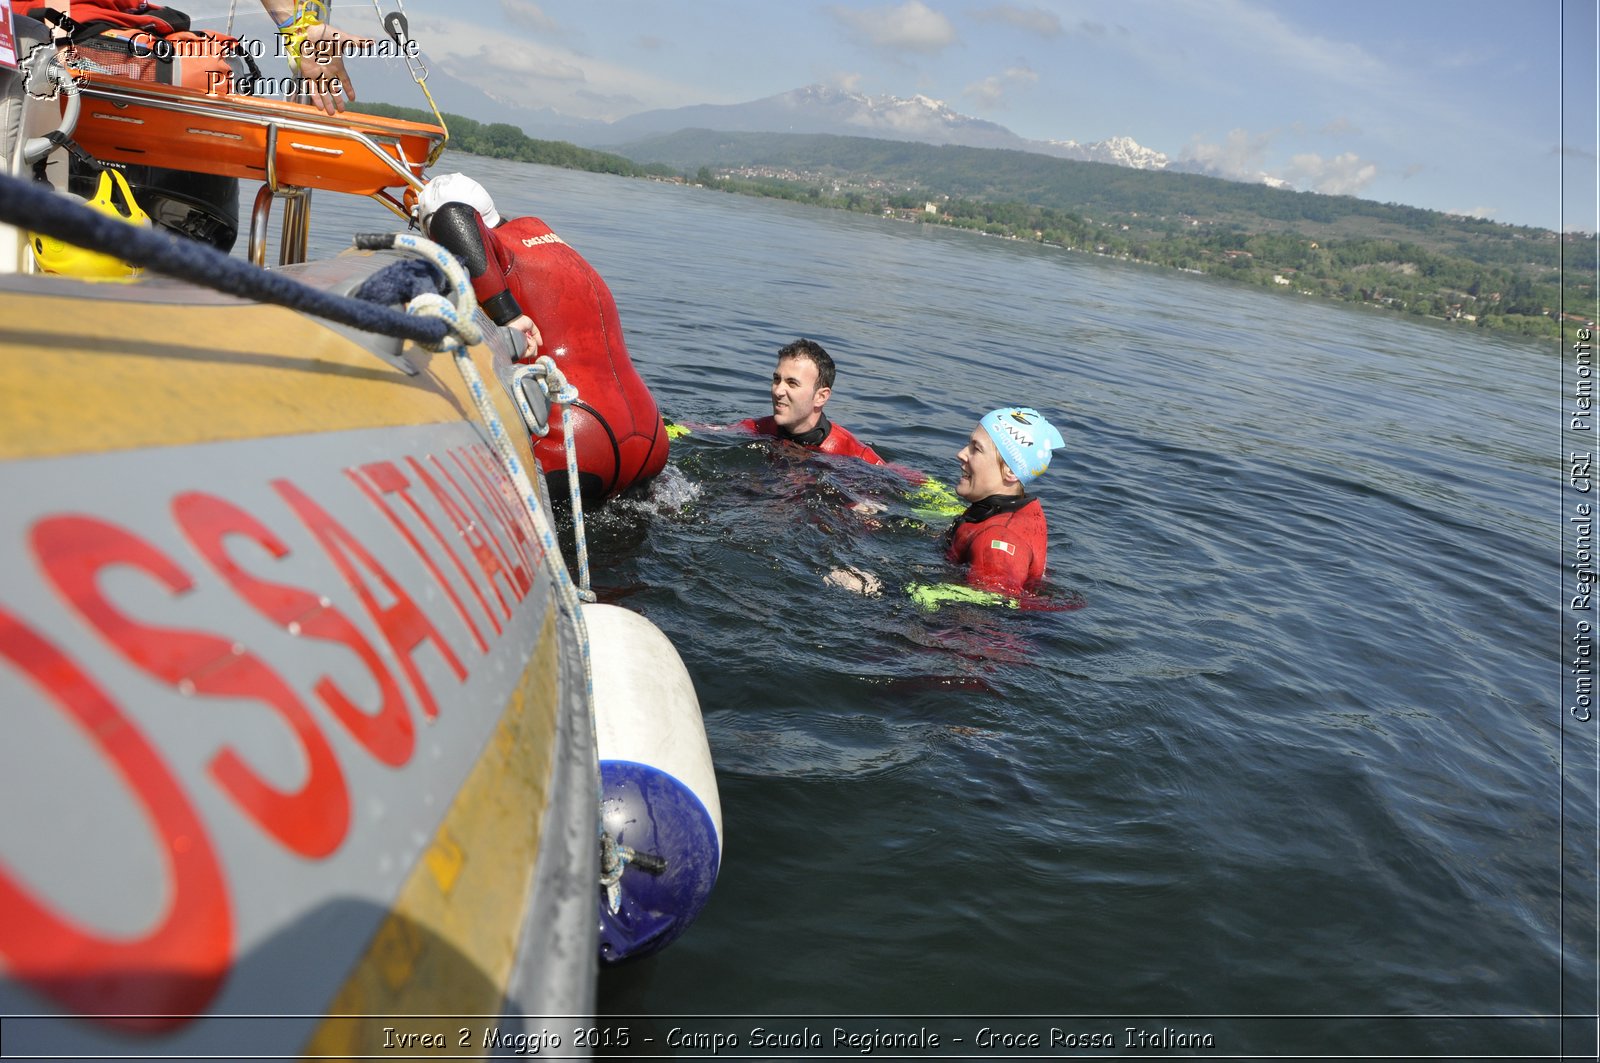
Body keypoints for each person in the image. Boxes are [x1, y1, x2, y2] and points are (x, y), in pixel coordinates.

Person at [941, 406, 1066, 598]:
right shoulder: (1005, 511)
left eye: (976, 449)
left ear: (1011, 471)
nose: (961, 453)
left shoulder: (998, 541)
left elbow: (985, 617)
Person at [416, 172, 541, 351]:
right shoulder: (532, 232)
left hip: (549, 367)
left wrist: (510, 317)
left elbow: (450, 217)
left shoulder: (454, 223)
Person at [737, 339, 887, 466]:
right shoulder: (754, 429)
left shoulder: (856, 454)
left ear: (821, 397)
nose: (778, 391)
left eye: (792, 383)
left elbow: (905, 484)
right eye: (777, 379)